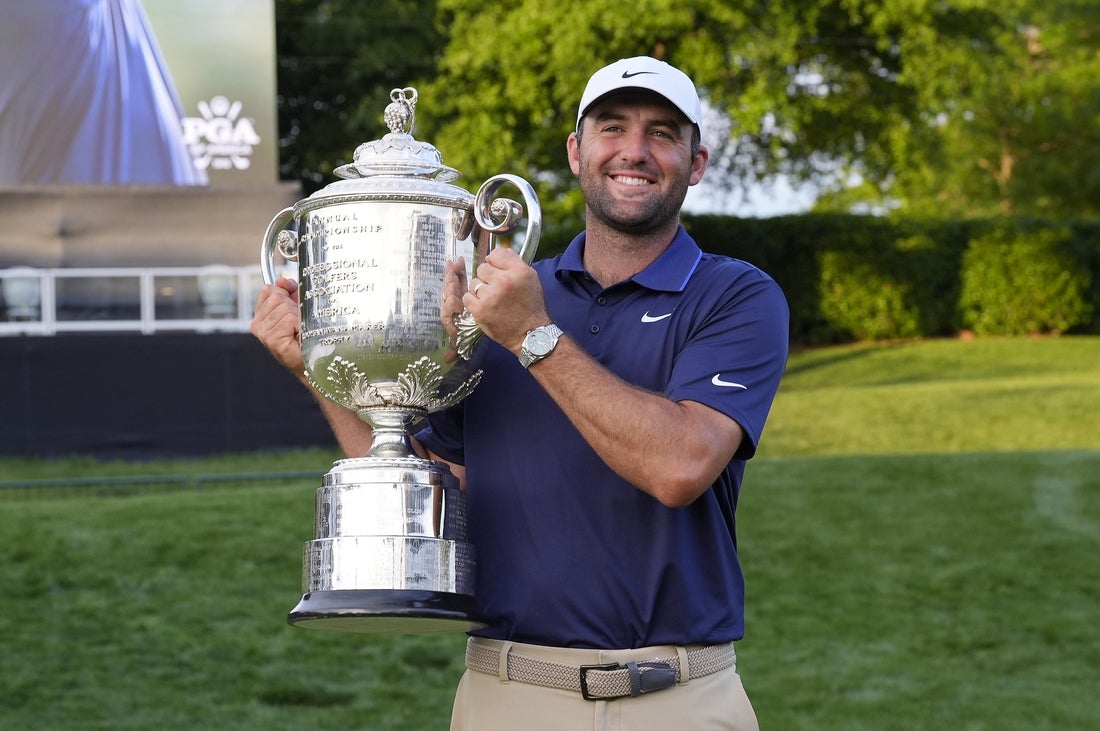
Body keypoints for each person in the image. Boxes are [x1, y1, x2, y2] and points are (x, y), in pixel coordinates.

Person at [251, 56, 789, 731]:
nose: (634, 150)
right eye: (611, 127)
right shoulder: (496, 298)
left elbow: (680, 465)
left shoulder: (735, 295)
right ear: (576, 152)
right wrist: (319, 368)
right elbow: (436, 492)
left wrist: (534, 336)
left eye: (661, 133)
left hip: (679, 699)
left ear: (697, 162)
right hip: (510, 695)